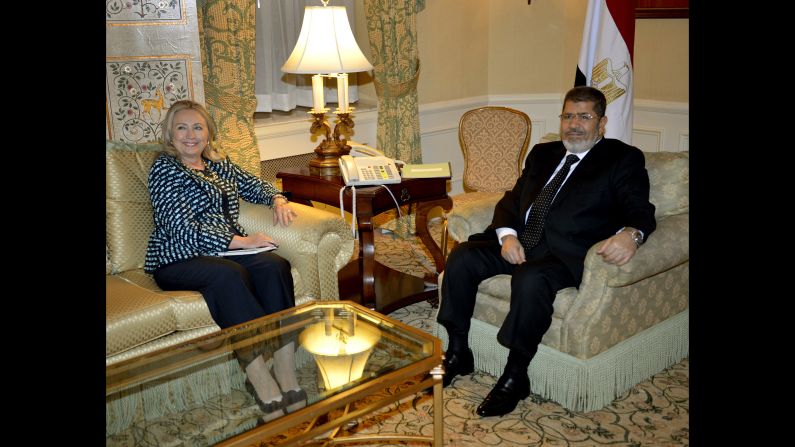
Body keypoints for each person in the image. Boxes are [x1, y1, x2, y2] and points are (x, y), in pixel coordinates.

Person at [437, 86, 657, 417]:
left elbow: (639, 208)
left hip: (566, 254)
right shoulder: (543, 154)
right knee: (463, 256)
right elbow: (512, 199)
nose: (574, 124)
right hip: (522, 242)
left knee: (530, 279)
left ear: (602, 122)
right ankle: (457, 351)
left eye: (585, 116)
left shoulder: (621, 159)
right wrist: (508, 236)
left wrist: (631, 234)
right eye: (568, 116)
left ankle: (515, 374)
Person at [143, 99, 305, 421]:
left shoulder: (218, 164)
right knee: (229, 276)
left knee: (276, 266)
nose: (190, 135)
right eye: (182, 127)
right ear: (170, 135)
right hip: (178, 256)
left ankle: (285, 367)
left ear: (208, 134)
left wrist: (277, 197)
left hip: (226, 250)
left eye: (197, 127)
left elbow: (252, 184)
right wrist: (241, 241)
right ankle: (256, 371)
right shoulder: (165, 168)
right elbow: (178, 226)